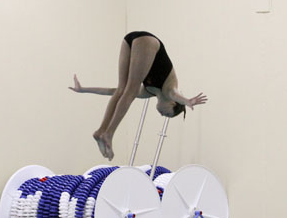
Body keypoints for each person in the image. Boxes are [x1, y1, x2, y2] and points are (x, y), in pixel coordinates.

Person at [69, 31, 207, 160]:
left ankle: (101, 131)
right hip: (149, 42)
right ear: (172, 103)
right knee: (130, 91)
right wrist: (188, 101)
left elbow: (112, 91)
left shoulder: (149, 92)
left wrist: (84, 89)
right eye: (167, 114)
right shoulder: (170, 91)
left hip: (129, 40)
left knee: (121, 90)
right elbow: (175, 95)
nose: (162, 115)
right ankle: (109, 133)